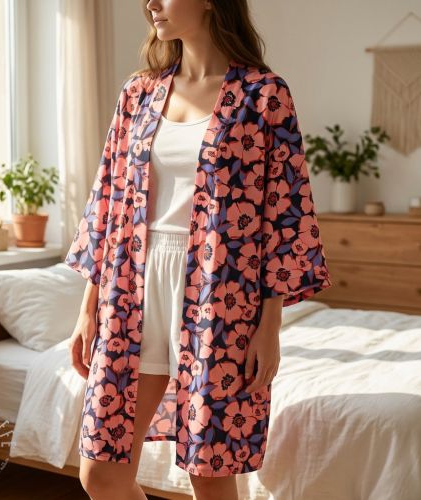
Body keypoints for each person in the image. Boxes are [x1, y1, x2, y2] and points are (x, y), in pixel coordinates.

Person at [66, 1, 332, 499]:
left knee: (209, 475)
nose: (150, 3)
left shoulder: (263, 95)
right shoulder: (138, 93)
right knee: (101, 472)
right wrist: (88, 307)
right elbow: (107, 200)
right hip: (131, 288)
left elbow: (284, 212)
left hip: (221, 292)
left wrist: (269, 325)